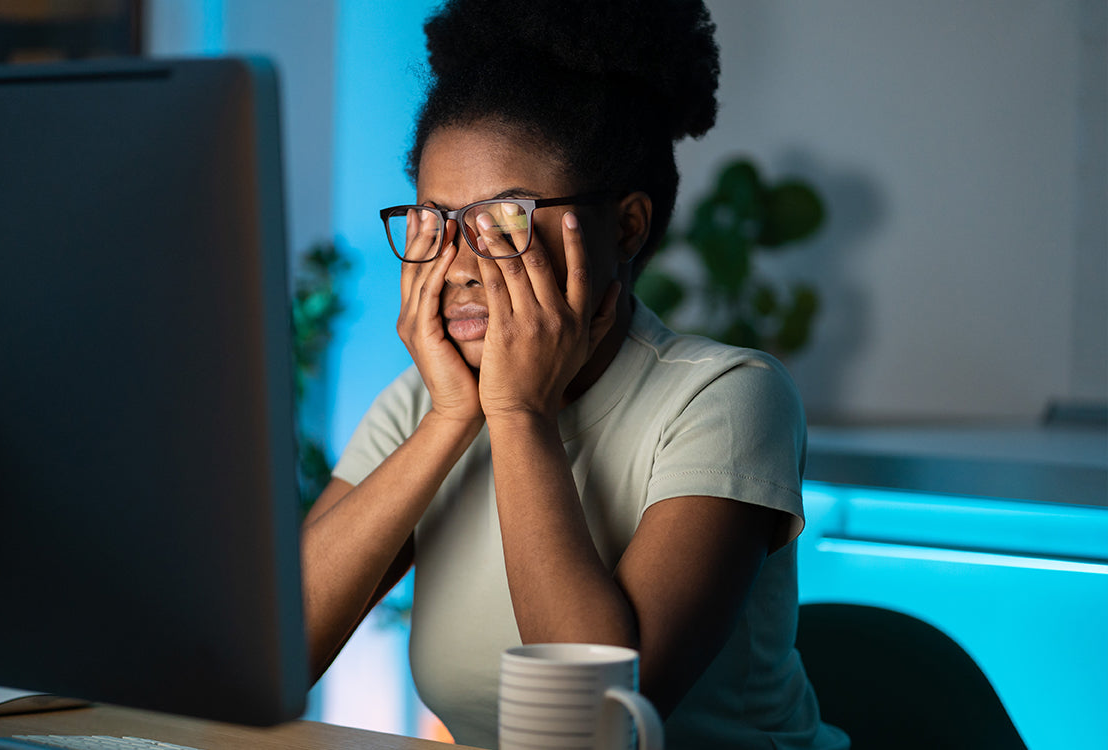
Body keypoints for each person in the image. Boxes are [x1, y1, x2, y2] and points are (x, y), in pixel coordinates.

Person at [301, 1, 849, 747]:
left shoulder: (726, 398)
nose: (458, 266)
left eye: (502, 222)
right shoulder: (423, 404)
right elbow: (281, 652)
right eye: (435, 224)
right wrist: (453, 420)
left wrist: (520, 415)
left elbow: (599, 725)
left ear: (625, 226)